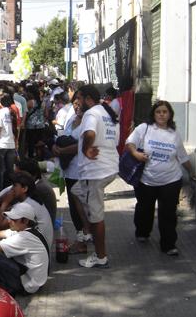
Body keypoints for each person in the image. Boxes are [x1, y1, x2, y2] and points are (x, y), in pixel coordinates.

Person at [126, 100, 195, 256]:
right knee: (144, 209)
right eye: (158, 111)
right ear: (154, 114)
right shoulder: (145, 128)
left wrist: (191, 172)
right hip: (147, 180)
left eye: (165, 112)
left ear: (170, 114)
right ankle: (142, 232)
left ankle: (168, 244)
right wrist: (136, 153)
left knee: (168, 213)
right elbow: (130, 142)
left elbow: (182, 156)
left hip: (171, 180)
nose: (162, 114)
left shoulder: (174, 134)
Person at [71, 85, 119, 269]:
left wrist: (86, 149)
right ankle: (88, 230)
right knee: (76, 190)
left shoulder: (92, 114)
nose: (77, 102)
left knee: (97, 216)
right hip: (108, 167)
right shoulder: (107, 112)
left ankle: (100, 257)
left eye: (80, 98)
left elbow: (90, 133)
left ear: (88, 99)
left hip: (96, 172)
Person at [0, 202, 49, 295]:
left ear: (25, 221)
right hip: (32, 276)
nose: (9, 221)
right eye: (10, 218)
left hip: (27, 285)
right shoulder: (27, 229)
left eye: (14, 219)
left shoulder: (24, 237)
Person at [52, 96, 92, 254]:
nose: (77, 107)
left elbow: (81, 146)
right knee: (74, 206)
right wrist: (56, 146)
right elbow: (63, 137)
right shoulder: (72, 119)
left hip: (81, 170)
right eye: (75, 103)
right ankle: (81, 237)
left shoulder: (88, 122)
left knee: (80, 207)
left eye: (80, 103)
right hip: (68, 168)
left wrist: (62, 150)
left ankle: (84, 240)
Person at [0, 94, 18, 195]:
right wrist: (16, 143)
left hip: (1, 144)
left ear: (0, 102)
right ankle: (8, 192)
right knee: (9, 171)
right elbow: (16, 130)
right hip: (11, 145)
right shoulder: (13, 112)